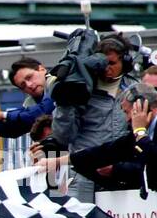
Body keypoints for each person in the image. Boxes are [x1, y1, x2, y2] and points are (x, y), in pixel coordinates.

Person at [51, 32, 139, 199]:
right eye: (103, 62)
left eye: (112, 63)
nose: (107, 68)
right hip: (83, 175)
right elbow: (63, 136)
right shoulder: (81, 88)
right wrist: (66, 103)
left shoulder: (135, 89)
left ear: (125, 62)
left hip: (119, 176)